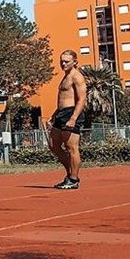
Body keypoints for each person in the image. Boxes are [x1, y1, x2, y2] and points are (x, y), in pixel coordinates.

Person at [47, 49, 87, 190]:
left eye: (66, 61)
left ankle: (74, 179)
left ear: (75, 62)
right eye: (61, 61)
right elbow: (63, 98)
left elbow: (82, 99)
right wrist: (54, 114)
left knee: (72, 148)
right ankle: (70, 173)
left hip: (71, 114)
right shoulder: (65, 76)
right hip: (61, 114)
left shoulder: (77, 77)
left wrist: (73, 118)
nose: (63, 63)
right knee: (53, 145)